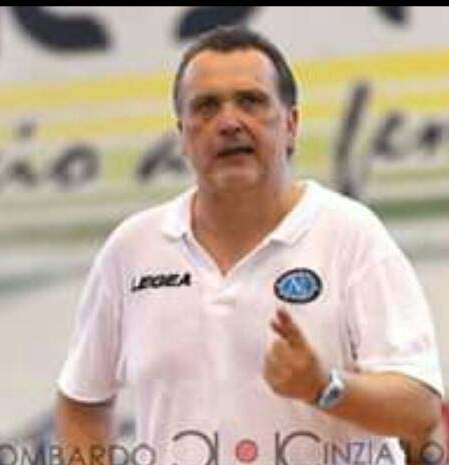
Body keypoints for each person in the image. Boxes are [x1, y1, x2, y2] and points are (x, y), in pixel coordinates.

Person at [55, 26, 444, 465]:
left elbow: (420, 410)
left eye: (251, 101)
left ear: (291, 125)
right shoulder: (133, 248)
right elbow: (81, 401)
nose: (228, 122)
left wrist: (324, 387)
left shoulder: (350, 235)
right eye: (206, 106)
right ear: (182, 135)